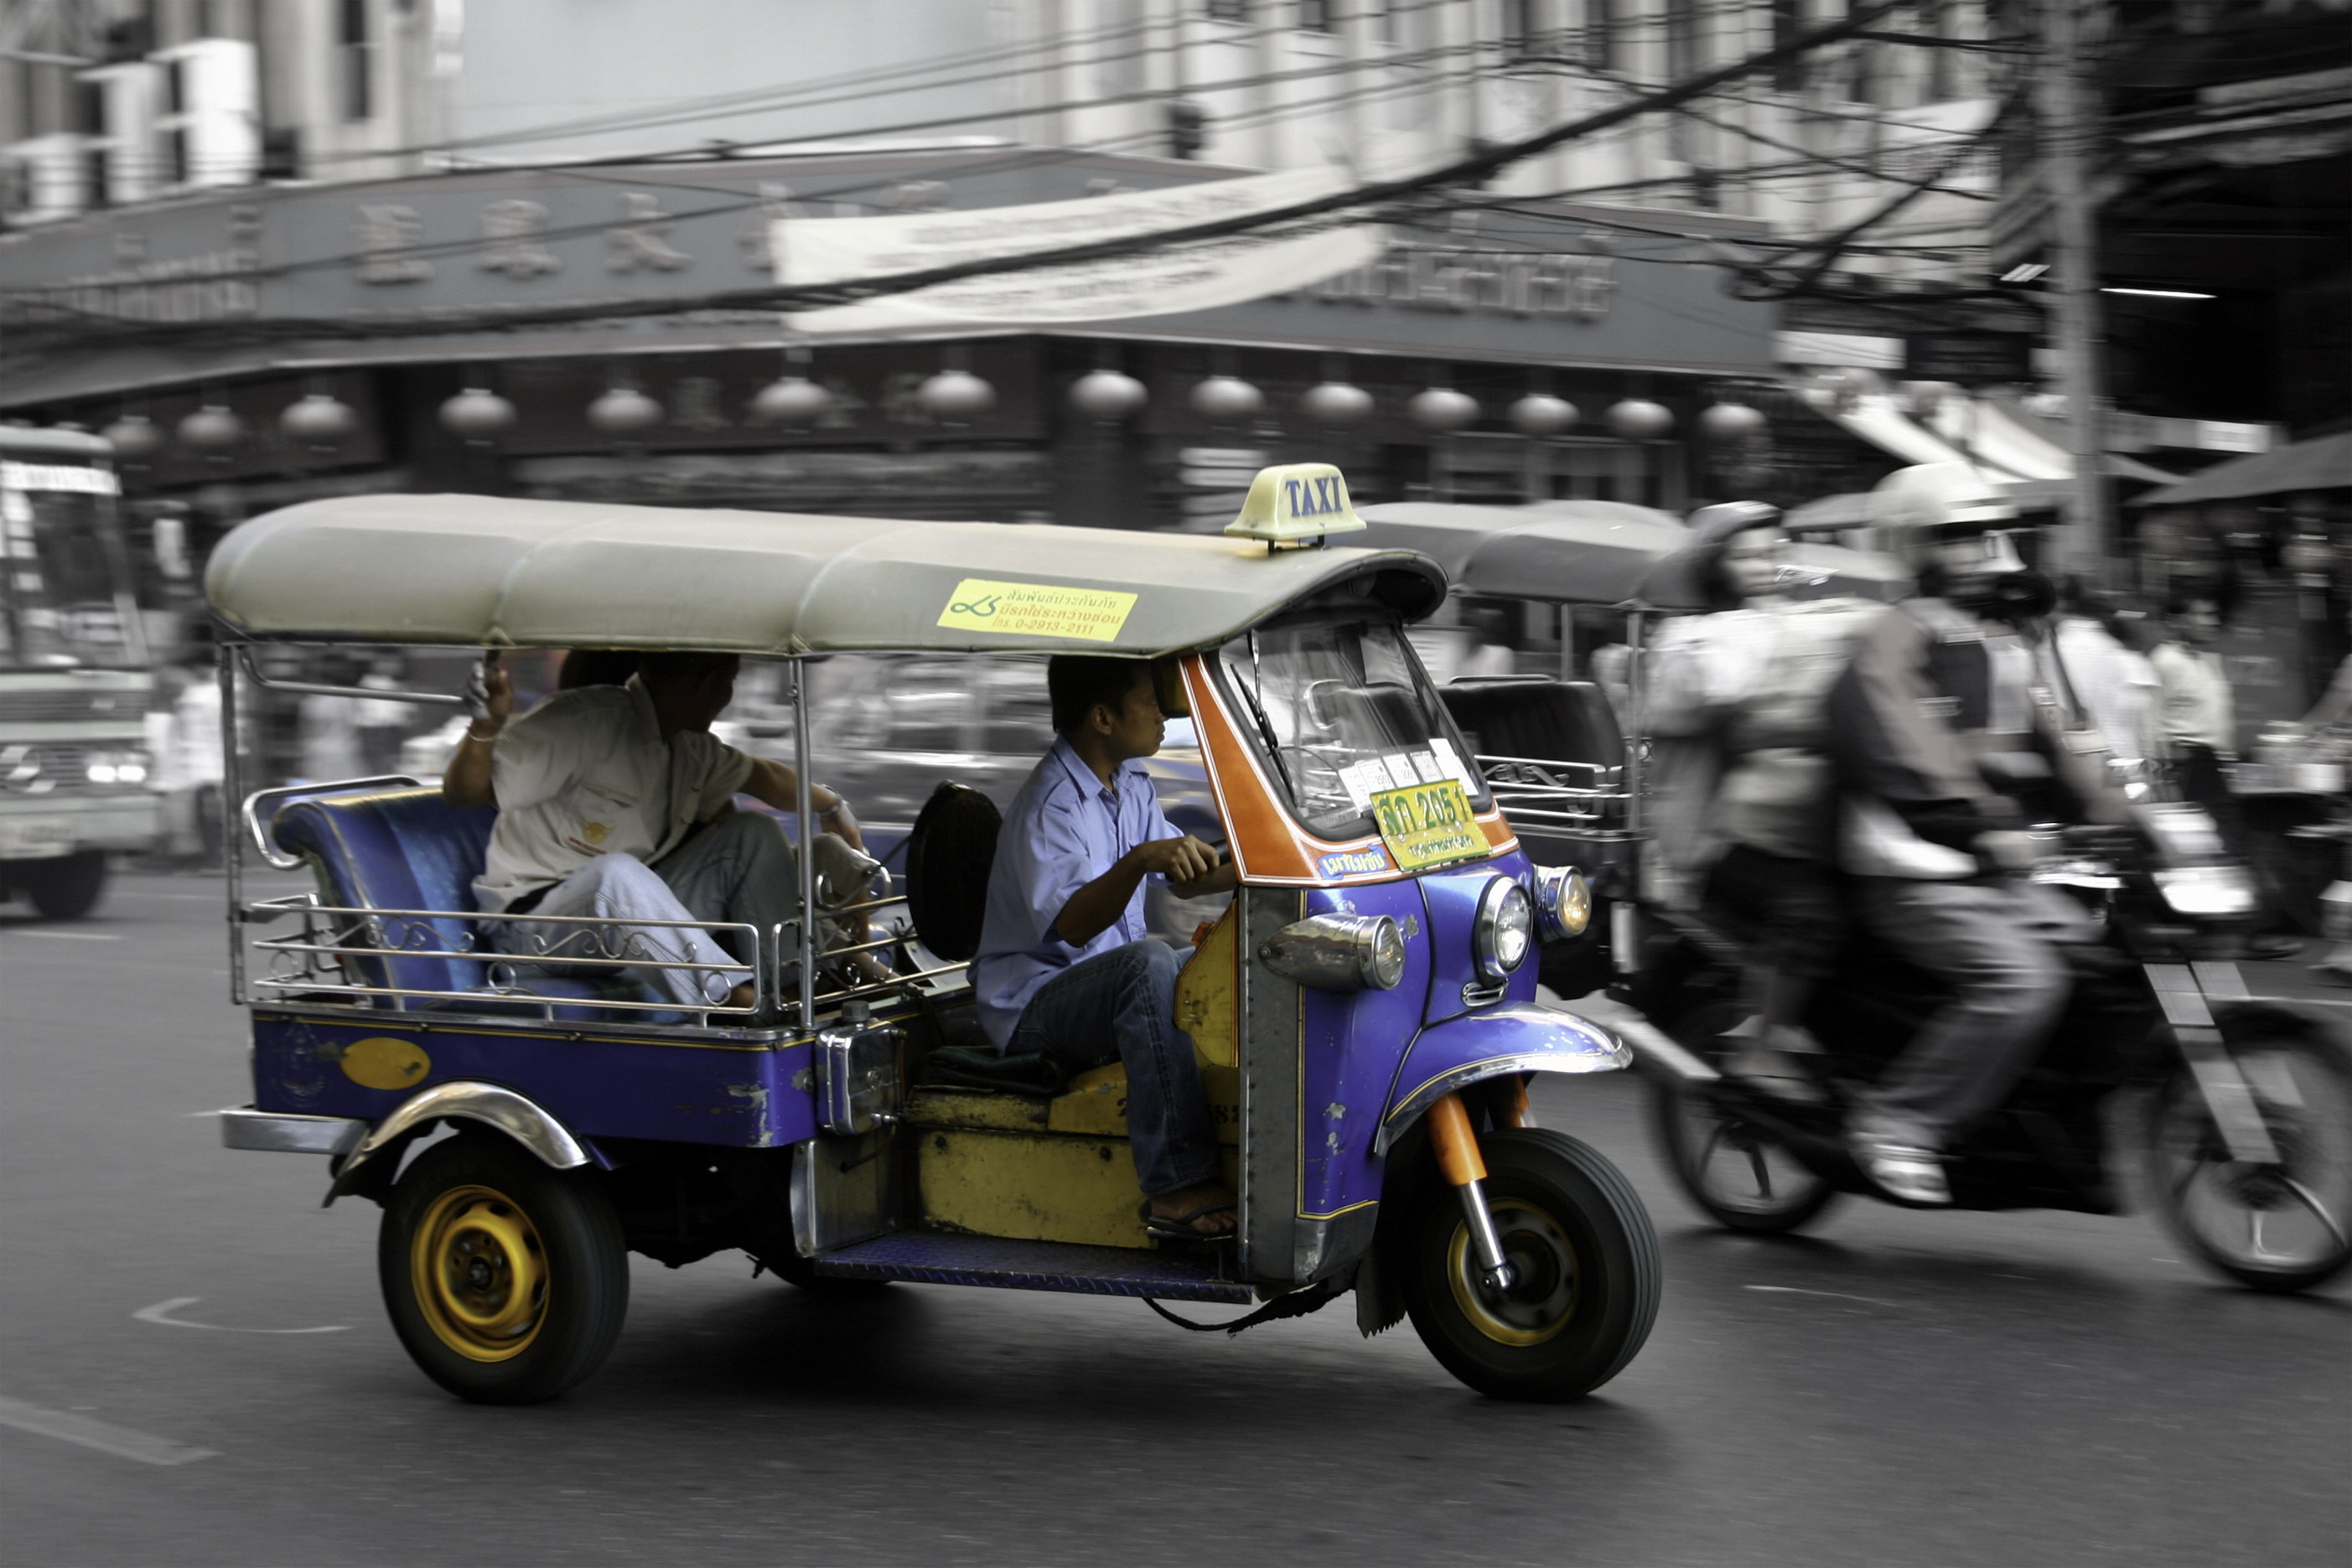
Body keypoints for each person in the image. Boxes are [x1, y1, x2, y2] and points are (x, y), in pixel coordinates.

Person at [1825, 463, 2133, 1205]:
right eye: (1957, 539)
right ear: (1913, 546)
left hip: (1994, 867)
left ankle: (2056, 1132)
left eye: (1985, 536)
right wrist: (1976, 826)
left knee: (2108, 966)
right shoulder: (1890, 639)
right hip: (1909, 868)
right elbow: (1902, 746)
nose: (1980, 553)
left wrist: (2136, 814)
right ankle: (1896, 1122)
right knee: (2023, 982)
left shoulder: (2003, 642)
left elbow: (2064, 740)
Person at [971, 656, 1240, 1239]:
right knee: (1150, 964)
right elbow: (1073, 922)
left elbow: (1188, 872)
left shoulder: (1131, 786)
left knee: (1210, 965)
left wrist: (1262, 863)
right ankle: (1176, 1182)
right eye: (1148, 700)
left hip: (1095, 988)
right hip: (1032, 1010)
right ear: (1103, 717)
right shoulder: (1051, 804)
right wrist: (1140, 860)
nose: (1164, 714)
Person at [445, 651, 865, 1017]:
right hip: (536, 932)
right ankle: (738, 1003)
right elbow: (464, 793)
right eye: (731, 684)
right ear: (710, 684)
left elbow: (767, 777)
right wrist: (485, 725)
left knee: (752, 831)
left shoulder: (689, 748)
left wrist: (832, 807)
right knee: (614, 873)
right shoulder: (582, 721)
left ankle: (799, 987)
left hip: (627, 923)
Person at [1646, 502, 1874, 1100]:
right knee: (1814, 916)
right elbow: (1723, 690)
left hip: (1801, 829)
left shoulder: (1786, 623)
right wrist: (1801, 633)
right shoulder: (1690, 640)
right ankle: (1762, 1041)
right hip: (1721, 841)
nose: (1765, 566)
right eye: (1746, 555)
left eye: (1774, 553)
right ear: (1715, 568)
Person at [2149, 593, 2300, 958]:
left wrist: (2228, 761)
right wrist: (2166, 764)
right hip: (2188, 762)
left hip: (2211, 762)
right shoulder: (2165, 661)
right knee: (2218, 846)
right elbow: (2151, 718)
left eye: (2213, 614)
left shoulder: (2206, 660)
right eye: (2201, 613)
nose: (2211, 621)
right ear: (2177, 620)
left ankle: (2219, 931)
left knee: (2224, 846)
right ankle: (2238, 934)